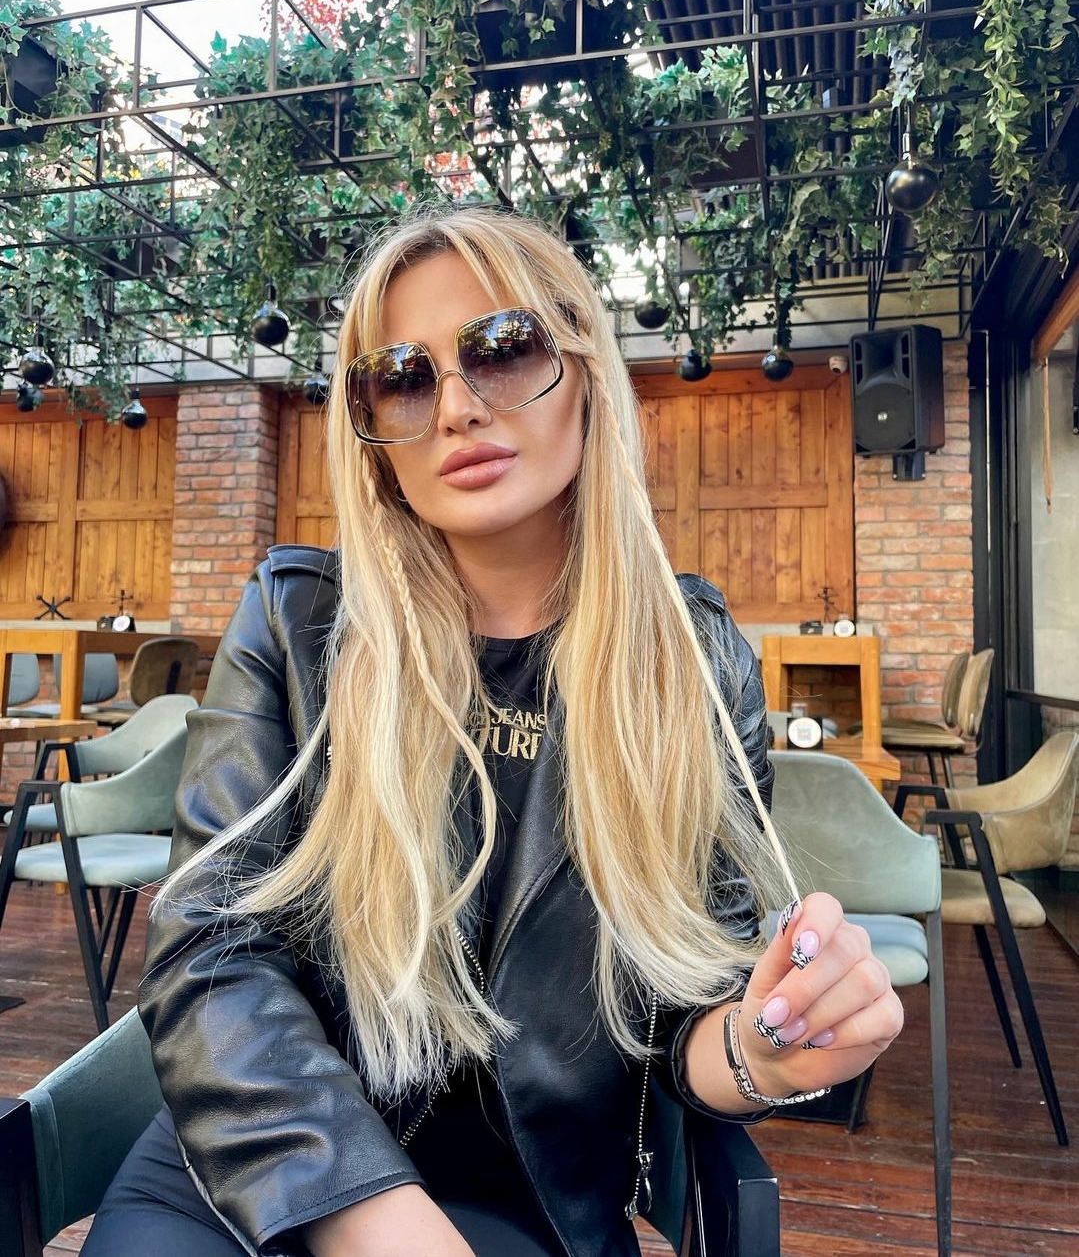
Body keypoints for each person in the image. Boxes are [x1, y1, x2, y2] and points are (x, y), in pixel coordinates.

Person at [84, 204, 902, 1257]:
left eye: (503, 349)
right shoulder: (297, 625)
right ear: (372, 435)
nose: (457, 407)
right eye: (402, 377)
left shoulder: (693, 662)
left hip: (536, 1194)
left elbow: (689, 1009)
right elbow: (210, 948)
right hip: (271, 1169)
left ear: (585, 372)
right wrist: (374, 1215)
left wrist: (761, 1049)